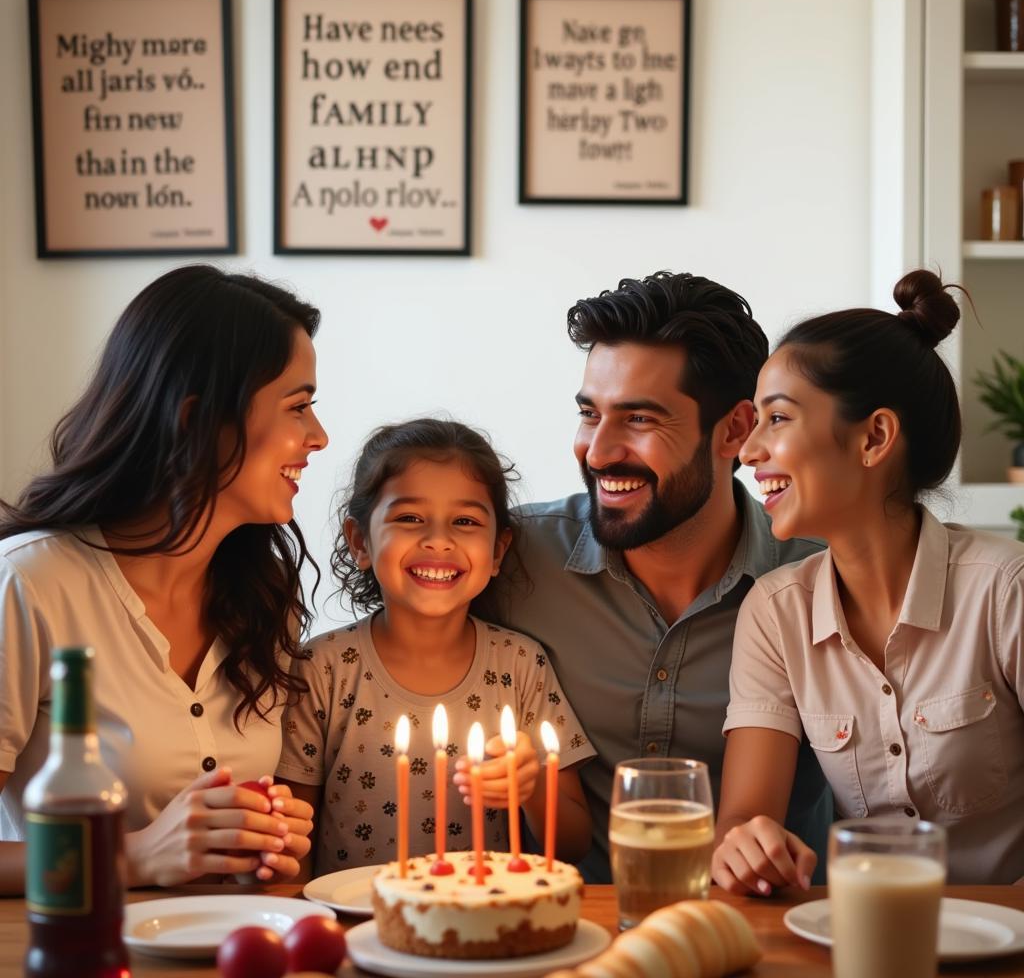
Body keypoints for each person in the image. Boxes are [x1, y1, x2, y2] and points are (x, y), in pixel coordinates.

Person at [491, 270, 831, 882]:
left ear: (735, 430)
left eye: (639, 420)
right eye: (590, 414)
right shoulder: (510, 559)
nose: (597, 452)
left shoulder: (820, 579)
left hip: (764, 932)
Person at [0, 265, 328, 893]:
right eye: (299, 406)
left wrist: (265, 837)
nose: (318, 436)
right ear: (196, 420)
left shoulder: (265, 596)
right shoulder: (29, 585)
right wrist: (137, 855)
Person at [712, 268, 1024, 891]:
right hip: (867, 936)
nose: (748, 451)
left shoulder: (1005, 590)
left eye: (777, 419)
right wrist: (746, 848)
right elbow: (742, 821)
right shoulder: (776, 614)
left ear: (874, 437)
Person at [276, 418, 593, 876]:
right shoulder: (321, 669)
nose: (438, 540)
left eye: (465, 521)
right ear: (360, 541)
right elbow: (292, 842)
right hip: (355, 927)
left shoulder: (521, 665)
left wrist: (531, 788)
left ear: (498, 551)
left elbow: (573, 845)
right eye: (409, 518)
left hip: (482, 923)